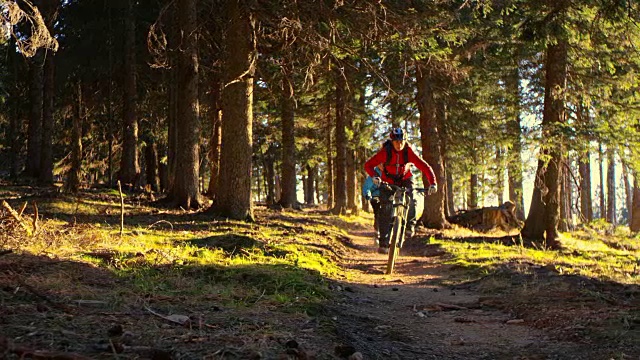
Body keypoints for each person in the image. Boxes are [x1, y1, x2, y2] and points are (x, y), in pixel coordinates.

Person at [364, 127, 437, 254]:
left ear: (405, 140)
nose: (399, 144)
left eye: (401, 141)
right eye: (396, 141)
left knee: (411, 197)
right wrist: (375, 176)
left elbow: (425, 167)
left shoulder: (409, 152)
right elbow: (368, 165)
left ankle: (409, 226)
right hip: (387, 181)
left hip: (405, 179)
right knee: (385, 209)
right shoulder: (385, 152)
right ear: (392, 142)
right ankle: (383, 242)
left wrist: (433, 183)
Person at [362, 165, 384, 244]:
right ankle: (377, 234)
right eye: (381, 163)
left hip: (387, 197)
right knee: (378, 214)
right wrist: (368, 195)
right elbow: (367, 187)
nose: (383, 165)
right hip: (376, 196)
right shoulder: (374, 173)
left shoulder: (390, 172)